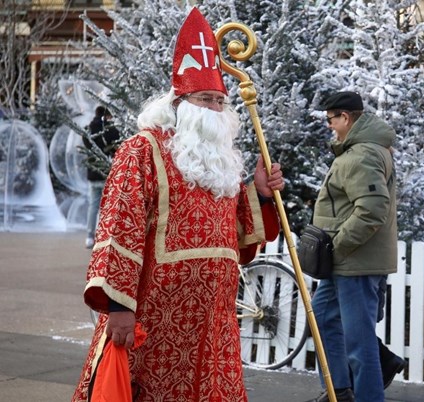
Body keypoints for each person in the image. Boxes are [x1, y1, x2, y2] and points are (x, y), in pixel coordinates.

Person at [71, 8, 284, 401]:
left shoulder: (221, 164)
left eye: (219, 101)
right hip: (153, 321)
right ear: (181, 103)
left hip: (213, 322)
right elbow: (120, 227)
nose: (214, 110)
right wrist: (118, 306)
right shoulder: (143, 151)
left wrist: (262, 193)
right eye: (205, 99)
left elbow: (236, 241)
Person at [306, 91, 403, 402]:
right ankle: (340, 392)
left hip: (354, 263)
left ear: (345, 118)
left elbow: (372, 209)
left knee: (359, 344)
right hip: (344, 263)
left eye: (331, 120)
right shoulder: (359, 152)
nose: (329, 126)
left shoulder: (362, 155)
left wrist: (337, 246)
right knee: (321, 319)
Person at [84, 105, 120, 249]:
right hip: (107, 172)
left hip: (93, 172)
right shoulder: (110, 130)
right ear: (106, 116)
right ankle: (103, 236)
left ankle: (89, 236)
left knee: (93, 206)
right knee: (107, 206)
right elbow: (116, 147)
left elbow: (87, 147)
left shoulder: (87, 129)